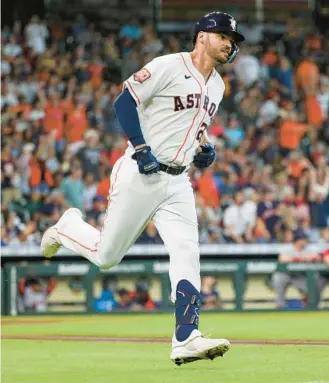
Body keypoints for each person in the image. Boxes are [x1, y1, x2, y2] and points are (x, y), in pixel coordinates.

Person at [40, 11, 245, 365]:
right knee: (107, 257)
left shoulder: (218, 86)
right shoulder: (169, 65)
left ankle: (186, 336)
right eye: (224, 36)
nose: (230, 43)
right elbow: (124, 101)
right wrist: (140, 146)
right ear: (202, 37)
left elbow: (195, 126)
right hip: (140, 173)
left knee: (186, 250)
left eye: (233, 40)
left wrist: (205, 148)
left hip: (179, 180)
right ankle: (66, 226)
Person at [271, 232, 320, 308]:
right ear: (298, 240)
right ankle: (279, 306)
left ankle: (310, 306)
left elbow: (317, 257)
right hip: (286, 274)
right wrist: (299, 258)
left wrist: (309, 258)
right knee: (278, 278)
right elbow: (282, 259)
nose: (305, 241)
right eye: (303, 239)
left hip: (300, 276)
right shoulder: (287, 248)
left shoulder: (309, 248)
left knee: (311, 288)